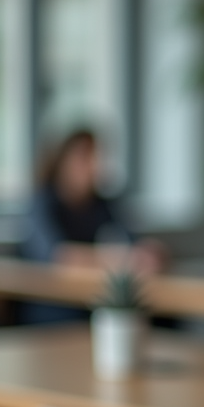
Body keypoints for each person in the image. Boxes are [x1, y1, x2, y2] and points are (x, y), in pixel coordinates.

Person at [18, 128, 161, 323]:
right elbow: (61, 257)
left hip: (87, 296)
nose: (94, 165)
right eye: (84, 157)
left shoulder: (101, 203)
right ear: (63, 161)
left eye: (97, 157)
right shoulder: (43, 203)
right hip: (49, 301)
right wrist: (125, 259)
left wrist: (148, 252)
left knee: (153, 315)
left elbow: (133, 241)